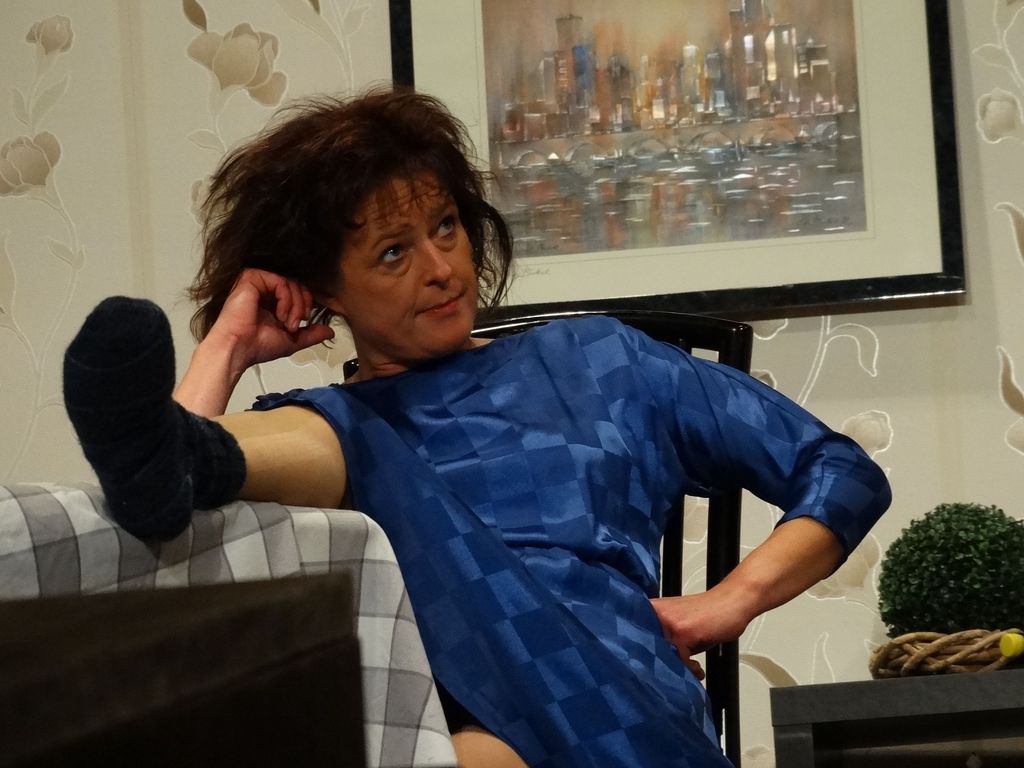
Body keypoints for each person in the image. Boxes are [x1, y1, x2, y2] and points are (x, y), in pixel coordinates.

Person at [63, 87, 891, 768]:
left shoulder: (599, 360)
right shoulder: (332, 424)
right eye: (393, 253)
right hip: (461, 726)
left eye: (445, 227)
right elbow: (171, 556)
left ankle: (182, 455)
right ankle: (181, 455)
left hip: (614, 696)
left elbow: (840, 470)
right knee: (342, 441)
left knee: (352, 451)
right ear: (327, 291)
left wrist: (726, 604)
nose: (440, 269)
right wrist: (229, 346)